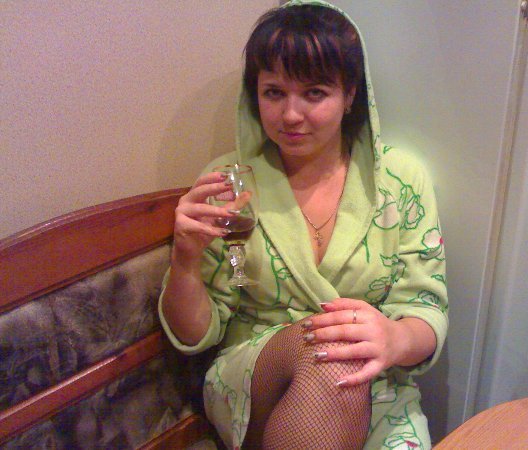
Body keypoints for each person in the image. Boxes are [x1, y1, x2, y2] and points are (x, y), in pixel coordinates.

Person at [159, 1, 448, 448]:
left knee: (343, 366)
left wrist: (395, 337)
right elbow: (196, 334)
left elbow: (426, 305)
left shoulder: (401, 182)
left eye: (314, 93)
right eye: (274, 92)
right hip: (255, 379)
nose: (291, 115)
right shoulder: (229, 185)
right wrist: (185, 259)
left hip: (372, 379)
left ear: (350, 94)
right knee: (331, 356)